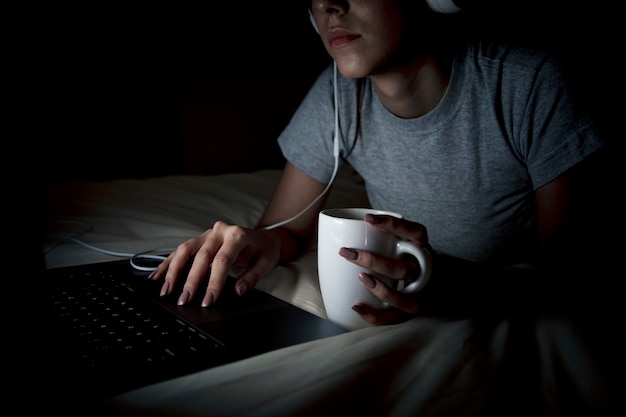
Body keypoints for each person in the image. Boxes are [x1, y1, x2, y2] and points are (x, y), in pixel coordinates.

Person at [149, 0, 606, 325]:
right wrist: (255, 242)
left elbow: (572, 281)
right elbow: (286, 231)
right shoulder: (337, 94)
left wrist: (450, 287)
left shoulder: (527, 84)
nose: (328, 5)